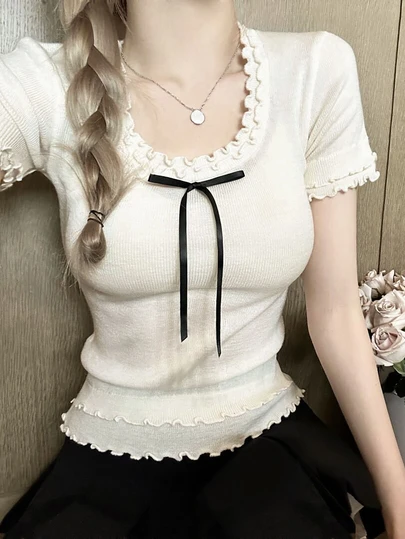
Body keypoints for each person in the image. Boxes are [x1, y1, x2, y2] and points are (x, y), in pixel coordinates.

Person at [0, 0, 403, 537]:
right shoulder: (45, 84)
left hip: (273, 462)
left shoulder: (315, 70)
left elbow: (334, 316)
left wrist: (400, 508)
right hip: (108, 474)